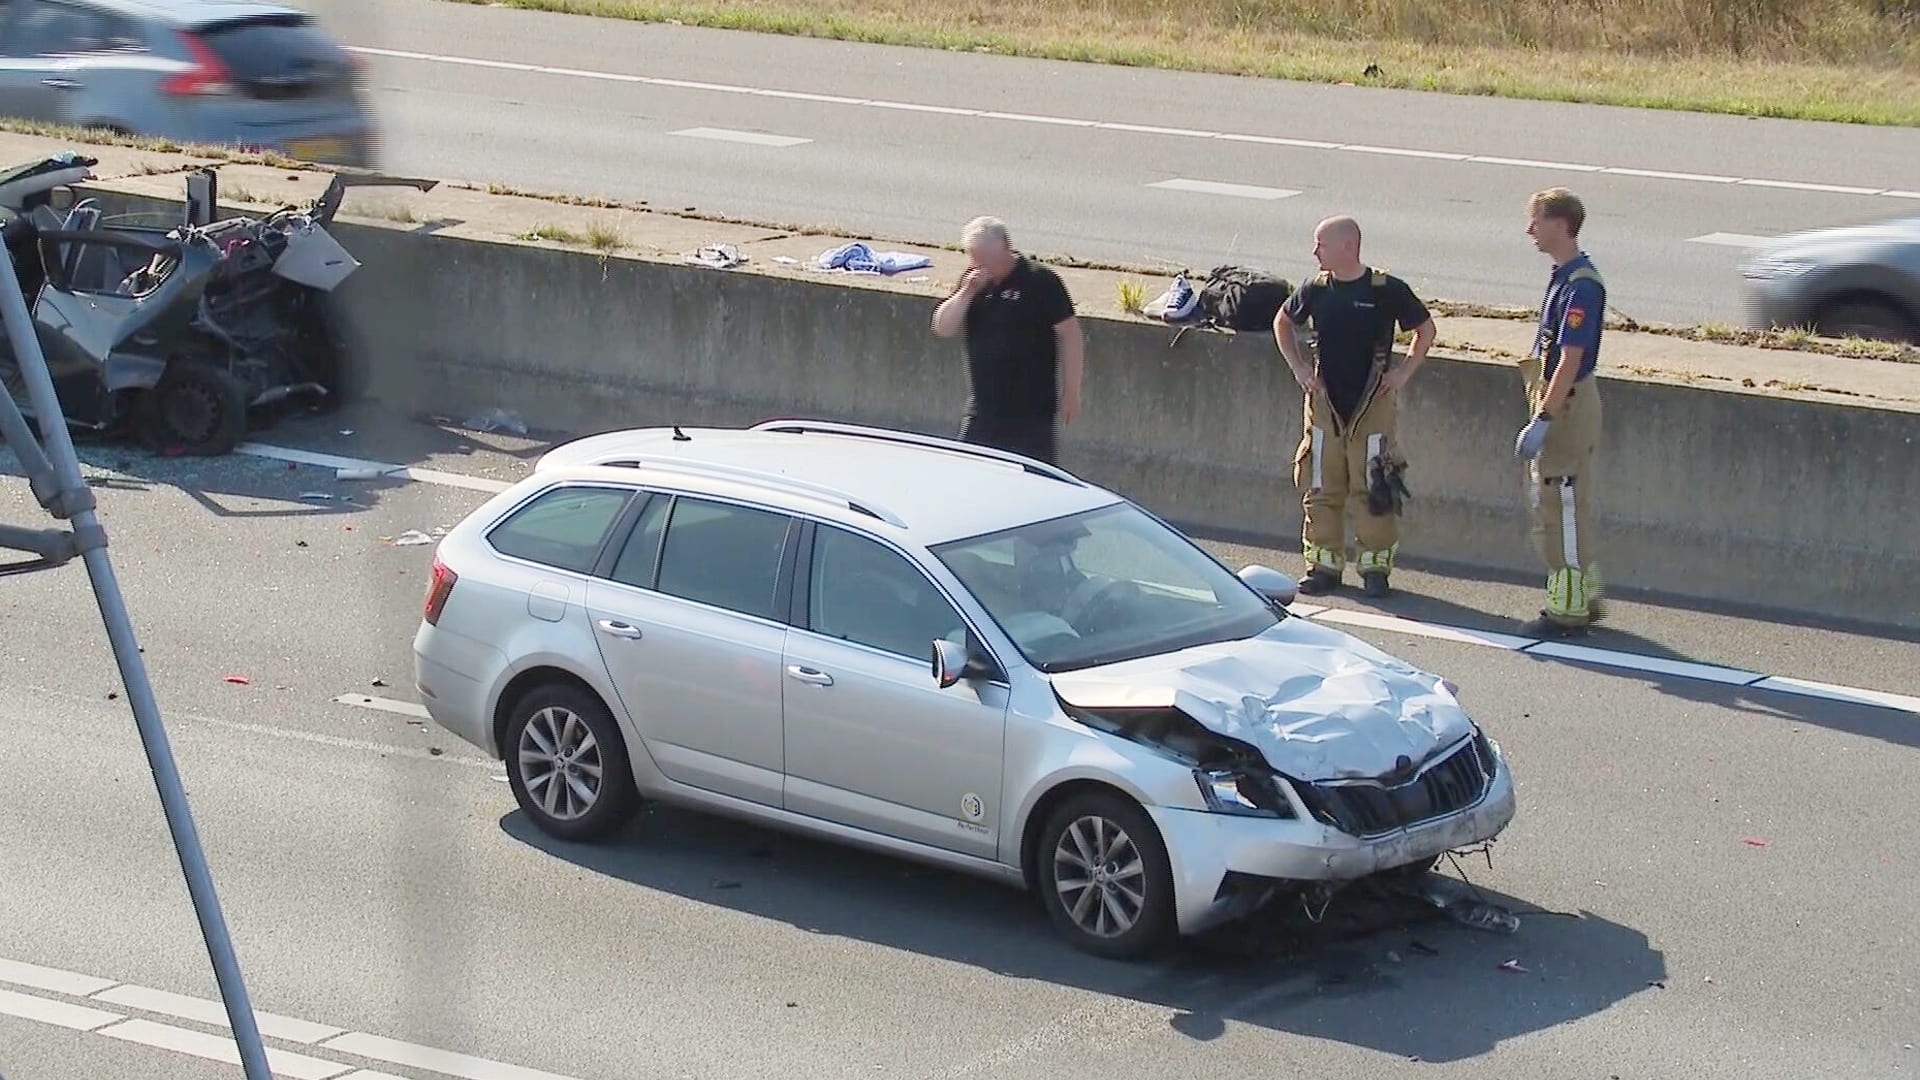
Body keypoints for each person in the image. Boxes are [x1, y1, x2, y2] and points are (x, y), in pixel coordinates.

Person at [1272, 215, 1436, 599]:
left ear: (1348, 247)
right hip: (1325, 404)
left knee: (1374, 485)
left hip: (1372, 404)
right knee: (1320, 482)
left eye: (1321, 244)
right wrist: (1299, 369)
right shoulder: (1315, 289)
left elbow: (1425, 331)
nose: (1314, 252)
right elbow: (1283, 322)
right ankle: (1323, 566)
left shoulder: (1387, 290)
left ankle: (1375, 568)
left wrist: (1402, 375)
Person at [1514, 187, 1608, 638]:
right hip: (1559, 399)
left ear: (1560, 224)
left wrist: (1546, 416)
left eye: (1536, 220)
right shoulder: (1564, 277)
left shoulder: (1581, 286)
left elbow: (1569, 358)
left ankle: (1569, 609)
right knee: (1559, 499)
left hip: (1566, 405)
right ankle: (1583, 593)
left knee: (1562, 502)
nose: (1529, 229)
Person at [931, 216, 1083, 465]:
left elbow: (1071, 335)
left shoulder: (1041, 281)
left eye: (986, 260)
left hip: (1032, 413)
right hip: (984, 409)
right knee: (964, 474)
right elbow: (943, 328)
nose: (981, 267)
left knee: (1037, 481)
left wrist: (1072, 392)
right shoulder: (973, 283)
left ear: (1005, 248)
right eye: (975, 259)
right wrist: (967, 292)